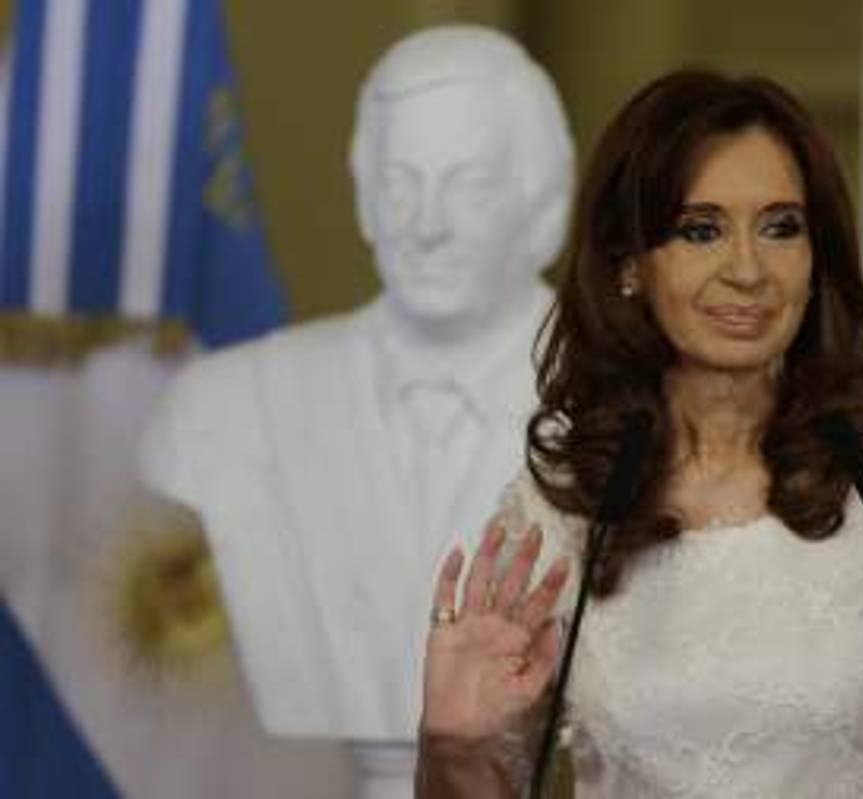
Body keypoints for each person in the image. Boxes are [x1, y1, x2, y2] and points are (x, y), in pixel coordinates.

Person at [413, 70, 863, 798]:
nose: (748, 269)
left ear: (817, 260)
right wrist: (452, 746)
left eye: (781, 227)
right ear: (630, 264)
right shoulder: (562, 512)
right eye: (702, 230)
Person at [139, 26, 574, 798]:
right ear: (365, 199)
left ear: (543, 202)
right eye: (402, 184)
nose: (428, 225)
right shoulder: (222, 411)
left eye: (468, 185)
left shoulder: (631, 414)